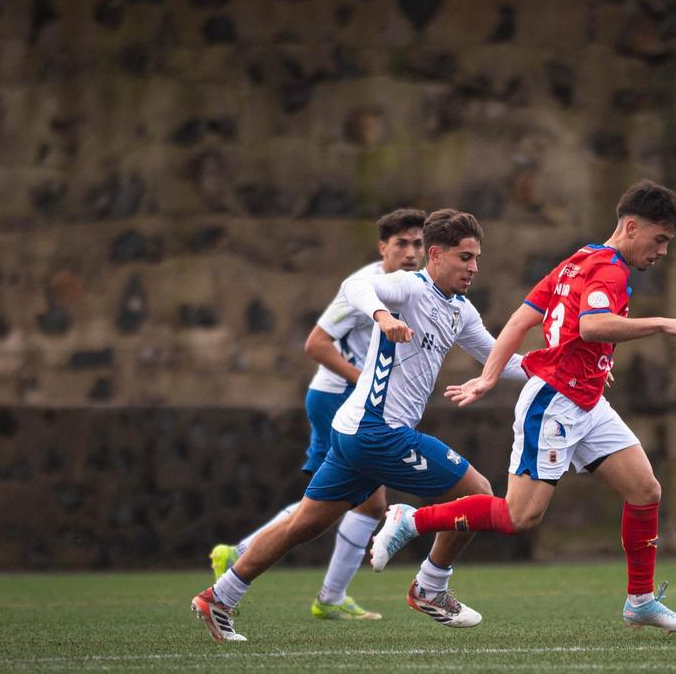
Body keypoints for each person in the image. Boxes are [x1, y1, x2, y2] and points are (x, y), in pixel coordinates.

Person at [366, 180, 676, 634]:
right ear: (631, 227)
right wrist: (664, 323)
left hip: (587, 401)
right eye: (660, 239)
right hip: (554, 403)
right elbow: (593, 327)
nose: (662, 251)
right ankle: (412, 519)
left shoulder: (578, 260)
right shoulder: (608, 270)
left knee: (646, 490)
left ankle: (641, 601)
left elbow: (521, 318)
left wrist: (490, 376)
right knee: (519, 515)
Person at [191, 209, 526, 642]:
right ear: (437, 255)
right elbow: (355, 286)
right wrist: (383, 316)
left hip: (354, 433)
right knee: (478, 496)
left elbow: (502, 359)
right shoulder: (408, 287)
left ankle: (219, 596)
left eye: (477, 258)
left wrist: (561, 371)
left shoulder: (460, 311)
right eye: (465, 257)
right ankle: (430, 587)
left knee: (305, 525)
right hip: (376, 431)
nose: (474, 268)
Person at [207, 208, 427, 622]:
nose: (411, 252)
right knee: (358, 501)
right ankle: (319, 592)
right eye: (402, 243)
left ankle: (317, 590)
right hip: (337, 398)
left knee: (346, 500)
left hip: (361, 402)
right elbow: (316, 344)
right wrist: (364, 377)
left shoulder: (411, 287)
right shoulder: (364, 288)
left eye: (417, 244)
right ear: (384, 248)